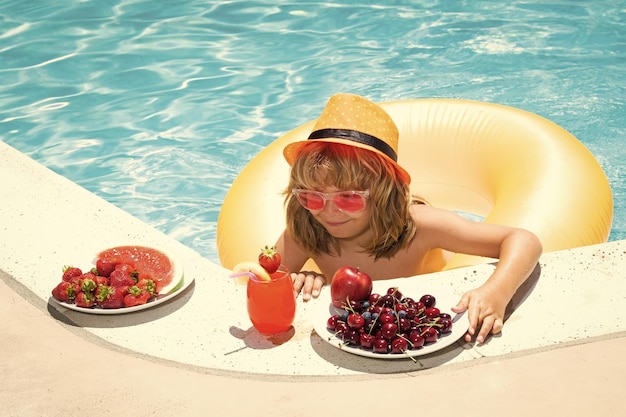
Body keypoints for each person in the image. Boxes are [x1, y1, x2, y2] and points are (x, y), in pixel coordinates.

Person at [275, 93, 542, 344]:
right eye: (312, 197)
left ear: (383, 194)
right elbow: (263, 282)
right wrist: (303, 275)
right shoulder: (306, 230)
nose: (329, 211)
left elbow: (523, 239)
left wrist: (497, 292)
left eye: (349, 198)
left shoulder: (421, 227)